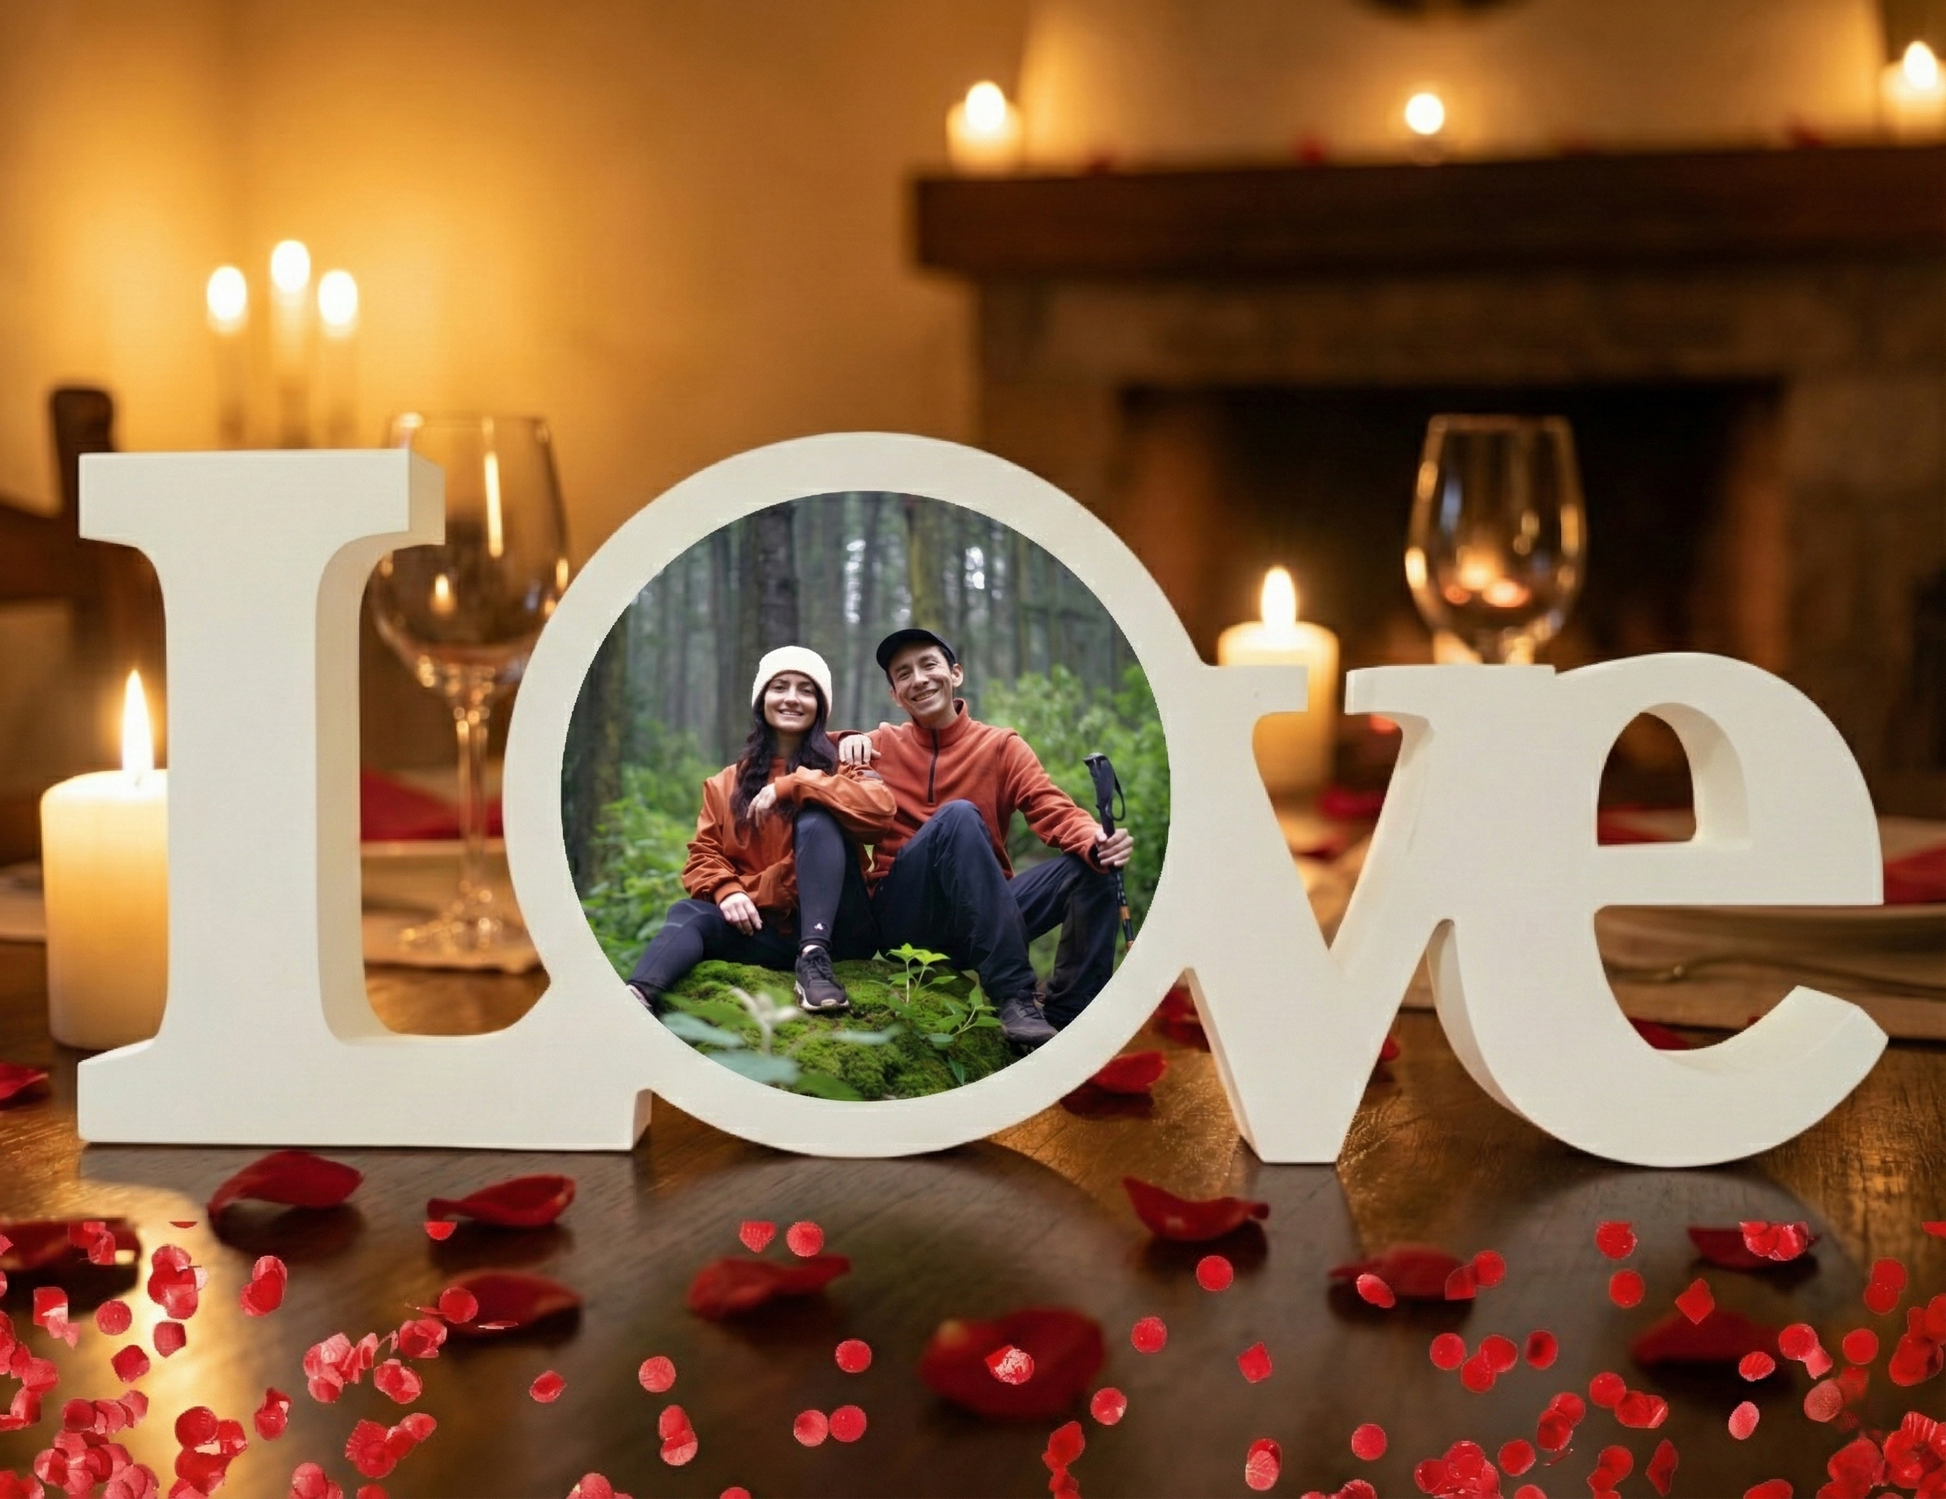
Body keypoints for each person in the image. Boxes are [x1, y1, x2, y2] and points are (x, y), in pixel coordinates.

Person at [838, 627, 1133, 1049]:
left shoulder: (1001, 746)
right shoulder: (879, 745)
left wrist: (1095, 839)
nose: (918, 679)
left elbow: (1051, 806)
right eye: (903, 674)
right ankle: (1014, 996)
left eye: (928, 665)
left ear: (955, 674)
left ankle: (1068, 1014)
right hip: (906, 918)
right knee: (958, 816)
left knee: (1094, 864)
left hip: (985, 918)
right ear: (895, 696)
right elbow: (813, 754)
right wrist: (846, 741)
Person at [626, 646, 894, 1017]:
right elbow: (703, 854)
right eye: (779, 687)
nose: (791, 698)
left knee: (817, 819)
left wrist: (796, 785)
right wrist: (726, 888)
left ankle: (814, 959)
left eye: (806, 690)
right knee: (689, 914)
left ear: (820, 705)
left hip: (839, 931)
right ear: (761, 699)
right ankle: (636, 998)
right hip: (765, 931)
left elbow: (879, 812)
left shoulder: (844, 766)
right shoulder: (724, 783)